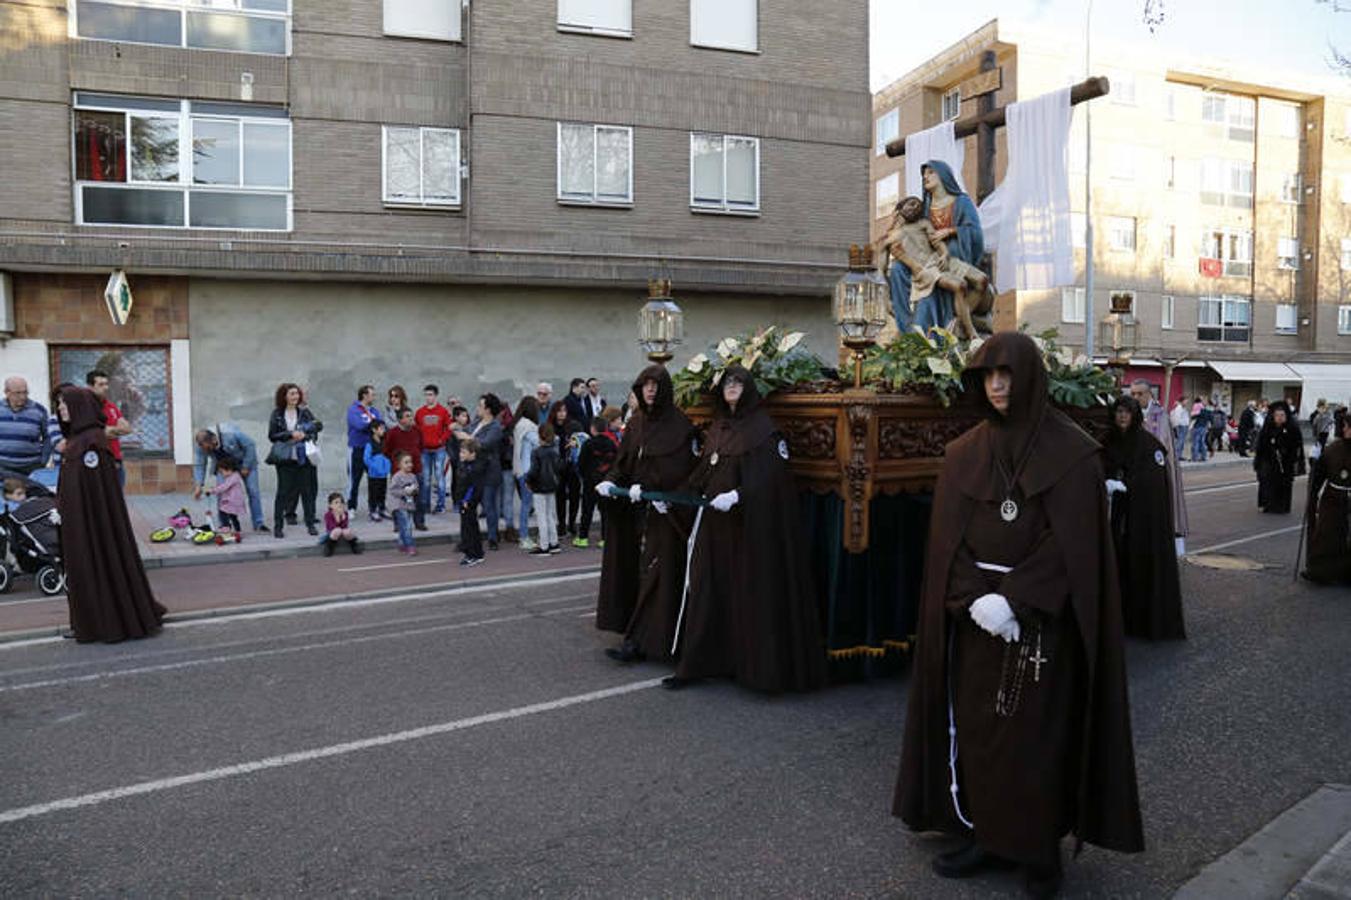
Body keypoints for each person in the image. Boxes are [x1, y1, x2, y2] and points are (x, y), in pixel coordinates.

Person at [893, 332, 1143, 897]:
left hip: (1040, 622)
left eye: (1006, 373)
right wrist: (975, 599)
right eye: (987, 375)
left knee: (1037, 735)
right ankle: (985, 834)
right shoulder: (963, 455)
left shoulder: (1074, 453)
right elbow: (945, 543)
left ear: (1029, 377)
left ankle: (1037, 850)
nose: (997, 385)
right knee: (979, 729)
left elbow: (1073, 543)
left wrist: (1017, 598)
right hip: (977, 618)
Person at [666, 364, 826, 693]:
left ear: (749, 388)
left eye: (738, 382)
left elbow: (773, 479)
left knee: (745, 594)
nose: (732, 387)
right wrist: (672, 497)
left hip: (746, 530)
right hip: (714, 527)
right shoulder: (718, 428)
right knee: (707, 590)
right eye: (727, 382)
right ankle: (699, 663)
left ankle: (751, 669)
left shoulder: (763, 429)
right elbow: (702, 472)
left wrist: (739, 494)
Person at [598, 365, 699, 664]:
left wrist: (666, 497)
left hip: (666, 516)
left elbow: (689, 473)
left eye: (656, 384)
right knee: (636, 572)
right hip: (635, 512)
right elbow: (625, 462)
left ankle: (647, 642)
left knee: (659, 576)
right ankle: (634, 635)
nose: (650, 390)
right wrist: (611, 481)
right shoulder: (637, 423)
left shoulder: (681, 426)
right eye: (645, 385)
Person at [55, 386, 166, 643]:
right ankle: (91, 622)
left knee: (97, 566)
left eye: (64, 404)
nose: (60, 409)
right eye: (59, 404)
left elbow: (97, 494)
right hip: (79, 523)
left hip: (92, 526)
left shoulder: (91, 443)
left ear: (80, 408)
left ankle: (107, 623)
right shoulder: (78, 441)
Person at [1103, 396, 1186, 641]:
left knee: (1138, 566)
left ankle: (1140, 620)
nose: (1122, 416)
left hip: (1140, 521)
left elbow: (1155, 483)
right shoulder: (1107, 441)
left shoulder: (1148, 445)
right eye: (1118, 411)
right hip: (1114, 518)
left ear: (1135, 415)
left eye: (1127, 412)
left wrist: (1128, 485)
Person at [884, 160, 985, 334]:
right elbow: (904, 236)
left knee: (981, 281)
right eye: (924, 174)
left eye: (931, 172)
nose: (925, 177)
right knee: (898, 269)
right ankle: (906, 321)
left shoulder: (961, 202)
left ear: (943, 174)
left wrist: (951, 231)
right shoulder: (923, 209)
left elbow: (975, 232)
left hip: (954, 257)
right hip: (928, 263)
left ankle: (959, 319)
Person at [1129, 380, 1188, 554]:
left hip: (1156, 471)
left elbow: (1165, 445)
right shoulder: (1128, 413)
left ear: (1149, 395)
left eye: (1140, 394)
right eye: (1132, 394)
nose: (1136, 397)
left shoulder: (1160, 416)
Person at [1302, 410, 1351, 585]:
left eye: (1347, 426)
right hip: (1333, 499)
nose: (1344, 429)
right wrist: (1314, 467)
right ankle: (1320, 571)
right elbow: (1319, 474)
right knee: (1327, 535)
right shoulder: (1333, 449)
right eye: (1344, 426)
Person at [268, 382, 321, 538]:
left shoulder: (304, 412)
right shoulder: (277, 414)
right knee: (283, 492)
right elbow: (272, 435)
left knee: (307, 491)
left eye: (297, 394)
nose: (295, 397)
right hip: (285, 459)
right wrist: (290, 434)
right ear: (284, 396)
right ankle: (278, 526)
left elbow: (317, 427)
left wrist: (306, 434)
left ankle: (310, 524)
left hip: (303, 457)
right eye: (292, 394)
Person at [193, 424, 267, 532]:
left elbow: (250, 445)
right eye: (205, 449)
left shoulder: (231, 433)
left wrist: (246, 466)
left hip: (245, 461)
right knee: (221, 493)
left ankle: (258, 523)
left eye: (209, 448)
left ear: (214, 439)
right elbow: (200, 464)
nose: (207, 451)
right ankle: (224, 525)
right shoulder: (201, 446)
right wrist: (199, 485)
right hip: (224, 467)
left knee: (253, 491)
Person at [454, 394, 504, 551]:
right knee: (467, 507)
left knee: (488, 506)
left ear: (488, 409)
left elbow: (484, 444)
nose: (477, 408)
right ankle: (466, 540)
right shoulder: (476, 422)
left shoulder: (495, 427)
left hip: (488, 472)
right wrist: (460, 432)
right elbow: (462, 435)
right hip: (472, 472)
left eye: (480, 406)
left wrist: (466, 437)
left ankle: (493, 537)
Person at [574, 408, 622, 548]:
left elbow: (581, 463)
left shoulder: (588, 444)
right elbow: (615, 461)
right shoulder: (611, 444)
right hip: (605, 481)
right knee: (605, 511)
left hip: (590, 481)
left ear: (592, 429)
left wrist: (584, 476)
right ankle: (604, 539)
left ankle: (583, 538)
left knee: (587, 510)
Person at [1254, 400, 1306, 514]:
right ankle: (1267, 504)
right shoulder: (1268, 428)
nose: (1279, 418)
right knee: (1267, 482)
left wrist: (1288, 454)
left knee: (1284, 484)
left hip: (1285, 462)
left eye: (1282, 415)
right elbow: (1261, 446)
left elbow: (1297, 446)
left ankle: (1282, 506)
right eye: (1277, 415)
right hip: (1269, 462)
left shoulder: (1292, 428)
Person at [85, 370, 133, 487]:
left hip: (115, 461)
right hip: (96, 461)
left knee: (117, 500)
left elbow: (127, 428)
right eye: (101, 385)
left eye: (106, 384)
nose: (105, 388)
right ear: (90, 386)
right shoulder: (84, 406)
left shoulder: (110, 406)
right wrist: (106, 431)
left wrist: (108, 430)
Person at [383, 407, 427, 532]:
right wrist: (398, 463)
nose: (411, 418)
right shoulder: (392, 433)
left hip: (416, 469)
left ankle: (419, 522)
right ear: (400, 419)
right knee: (398, 499)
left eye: (411, 416)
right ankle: (398, 524)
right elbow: (386, 451)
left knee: (420, 497)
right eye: (407, 416)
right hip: (399, 472)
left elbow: (421, 447)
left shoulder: (417, 430)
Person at [0, 376, 51, 475]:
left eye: (25, 392)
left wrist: (43, 461)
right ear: (7, 392)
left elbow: (48, 437)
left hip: (31, 467)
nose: (23, 396)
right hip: (2, 467)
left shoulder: (39, 410)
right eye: (18, 393)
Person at [548, 400, 584, 539]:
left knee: (574, 494)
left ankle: (572, 523)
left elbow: (581, 440)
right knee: (560, 496)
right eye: (559, 411)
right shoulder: (551, 427)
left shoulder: (573, 425)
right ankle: (562, 524)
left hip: (572, 465)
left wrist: (575, 443)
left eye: (564, 411)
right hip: (558, 465)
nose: (562, 414)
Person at [526, 421, 563, 555]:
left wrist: (527, 480)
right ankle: (554, 543)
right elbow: (559, 468)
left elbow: (534, 470)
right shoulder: (554, 451)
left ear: (540, 436)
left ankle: (544, 545)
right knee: (550, 515)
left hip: (539, 486)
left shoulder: (536, 452)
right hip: (551, 486)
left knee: (541, 516)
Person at [346, 384, 383, 512]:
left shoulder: (374, 411)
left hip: (372, 449)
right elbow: (359, 425)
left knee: (374, 478)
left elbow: (381, 426)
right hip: (357, 448)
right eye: (372, 394)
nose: (374, 397)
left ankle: (374, 506)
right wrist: (373, 426)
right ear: (364, 395)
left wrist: (374, 426)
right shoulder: (354, 410)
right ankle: (351, 507)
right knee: (354, 479)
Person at [416, 384, 452, 514]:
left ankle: (441, 505)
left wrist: (442, 439)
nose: (428, 397)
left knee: (439, 477)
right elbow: (417, 429)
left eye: (430, 395)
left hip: (439, 449)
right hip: (425, 450)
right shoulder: (420, 412)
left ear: (436, 396)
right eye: (426, 395)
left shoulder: (442, 411)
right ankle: (425, 505)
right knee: (425, 479)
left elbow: (449, 428)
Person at [512, 396, 542, 550]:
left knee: (526, 505)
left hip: (520, 470)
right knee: (527, 505)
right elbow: (539, 442)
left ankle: (525, 536)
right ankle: (524, 537)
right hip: (528, 471)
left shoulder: (519, 423)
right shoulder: (528, 426)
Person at [454, 437, 487, 567]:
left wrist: (466, 500)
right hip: (464, 500)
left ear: (472, 454)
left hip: (468, 501)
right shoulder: (465, 465)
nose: (460, 455)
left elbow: (473, 487)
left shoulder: (474, 468)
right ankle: (477, 553)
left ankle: (471, 554)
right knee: (471, 526)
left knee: (468, 528)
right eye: (460, 452)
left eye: (463, 452)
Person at [205, 456, 246, 536]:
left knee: (222, 511)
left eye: (222, 471)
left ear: (229, 469)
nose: (221, 474)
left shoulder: (234, 477)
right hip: (233, 501)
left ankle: (226, 527)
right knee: (233, 516)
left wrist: (213, 490)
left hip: (233, 501)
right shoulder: (233, 476)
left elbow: (224, 487)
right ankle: (237, 530)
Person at [388, 451, 419, 556]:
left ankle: (402, 543)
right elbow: (393, 491)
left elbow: (416, 488)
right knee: (407, 525)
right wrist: (404, 492)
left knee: (405, 525)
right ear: (399, 465)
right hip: (399, 505)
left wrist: (414, 490)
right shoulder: (397, 477)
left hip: (409, 504)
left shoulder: (413, 476)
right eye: (406, 462)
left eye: (410, 462)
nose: (410, 464)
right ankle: (409, 545)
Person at [363, 420, 391, 522]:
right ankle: (373, 510)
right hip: (374, 475)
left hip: (383, 474)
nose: (384, 430)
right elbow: (366, 459)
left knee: (382, 492)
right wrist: (375, 468)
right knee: (373, 493)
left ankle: (382, 508)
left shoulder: (385, 442)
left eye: (384, 428)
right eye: (381, 428)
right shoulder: (369, 444)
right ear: (374, 430)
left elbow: (388, 455)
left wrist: (387, 468)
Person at [1189, 396, 1209, 462]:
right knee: (1202, 442)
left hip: (1197, 426)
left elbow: (1193, 416)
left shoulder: (1197, 406)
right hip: (1203, 427)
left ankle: (1195, 457)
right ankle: (1204, 456)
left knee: (1195, 442)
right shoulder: (1205, 409)